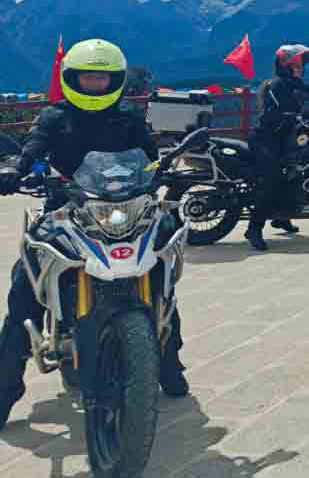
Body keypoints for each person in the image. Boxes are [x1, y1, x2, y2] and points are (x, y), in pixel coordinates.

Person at [0, 39, 188, 427]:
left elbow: (151, 159)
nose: (94, 85)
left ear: (115, 80)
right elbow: (34, 147)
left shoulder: (129, 117)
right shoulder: (55, 116)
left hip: (126, 209)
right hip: (67, 208)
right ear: (72, 79)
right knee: (24, 286)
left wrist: (167, 172)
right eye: (87, 77)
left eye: (102, 78)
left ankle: (169, 364)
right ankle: (5, 388)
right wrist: (17, 170)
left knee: (159, 270)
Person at [245, 44, 309, 251]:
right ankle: (254, 228)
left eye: (301, 66)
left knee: (296, 170)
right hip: (265, 138)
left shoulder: (293, 84)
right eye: (296, 65)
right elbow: (271, 113)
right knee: (271, 178)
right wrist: (295, 116)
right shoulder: (277, 85)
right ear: (284, 65)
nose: (300, 69)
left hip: (283, 139)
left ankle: (281, 216)